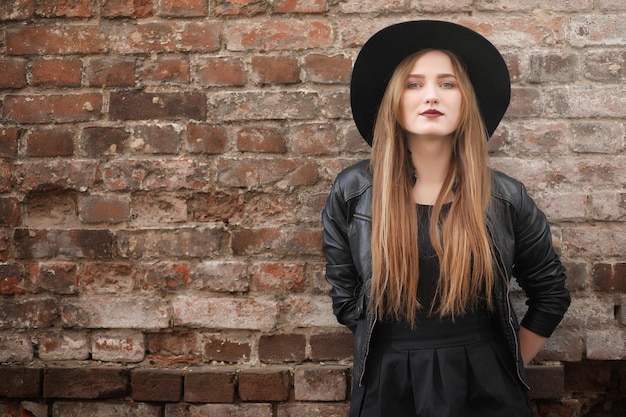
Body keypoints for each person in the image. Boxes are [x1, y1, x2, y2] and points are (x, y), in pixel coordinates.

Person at [322, 20, 571, 417]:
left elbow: (551, 292)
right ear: (393, 100)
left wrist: (507, 366)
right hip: (388, 385)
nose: (431, 96)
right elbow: (346, 297)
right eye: (414, 84)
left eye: (448, 83)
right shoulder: (353, 192)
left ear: (466, 100)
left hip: (488, 383)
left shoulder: (504, 196)